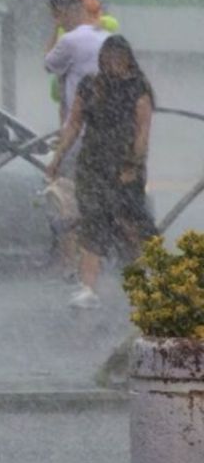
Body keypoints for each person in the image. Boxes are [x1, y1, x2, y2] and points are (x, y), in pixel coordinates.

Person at [47, 36, 157, 309]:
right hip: (92, 166)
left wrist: (132, 164)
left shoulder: (138, 88)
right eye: (108, 59)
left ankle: (149, 278)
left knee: (130, 223)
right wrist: (57, 157)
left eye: (118, 59)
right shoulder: (91, 86)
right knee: (93, 223)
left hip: (123, 168)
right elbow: (73, 125)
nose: (113, 65)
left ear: (128, 60)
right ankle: (88, 288)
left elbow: (143, 131)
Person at [44, 0, 113, 281]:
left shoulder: (70, 41)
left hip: (78, 133)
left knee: (65, 196)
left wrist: (55, 30)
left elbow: (48, 63)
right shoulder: (109, 40)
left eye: (57, 15)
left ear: (64, 13)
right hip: (108, 134)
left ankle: (71, 264)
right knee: (99, 200)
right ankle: (96, 265)